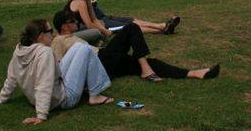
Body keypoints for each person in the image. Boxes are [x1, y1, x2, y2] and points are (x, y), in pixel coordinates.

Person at [0, 19, 114, 124]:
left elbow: (11, 77)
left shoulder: (20, 50)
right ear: (41, 36)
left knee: (78, 46)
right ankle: (94, 96)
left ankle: (92, 90)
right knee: (85, 50)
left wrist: (3, 97)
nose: (53, 34)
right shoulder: (45, 52)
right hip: (63, 100)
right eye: (50, 31)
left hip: (41, 97)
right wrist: (41, 115)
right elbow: (44, 84)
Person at [52, 10, 219, 82]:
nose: (77, 22)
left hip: (106, 64)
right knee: (132, 28)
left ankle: (194, 73)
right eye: (73, 21)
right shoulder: (58, 40)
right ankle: (146, 70)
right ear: (64, 26)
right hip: (99, 62)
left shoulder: (74, 37)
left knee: (149, 62)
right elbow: (58, 67)